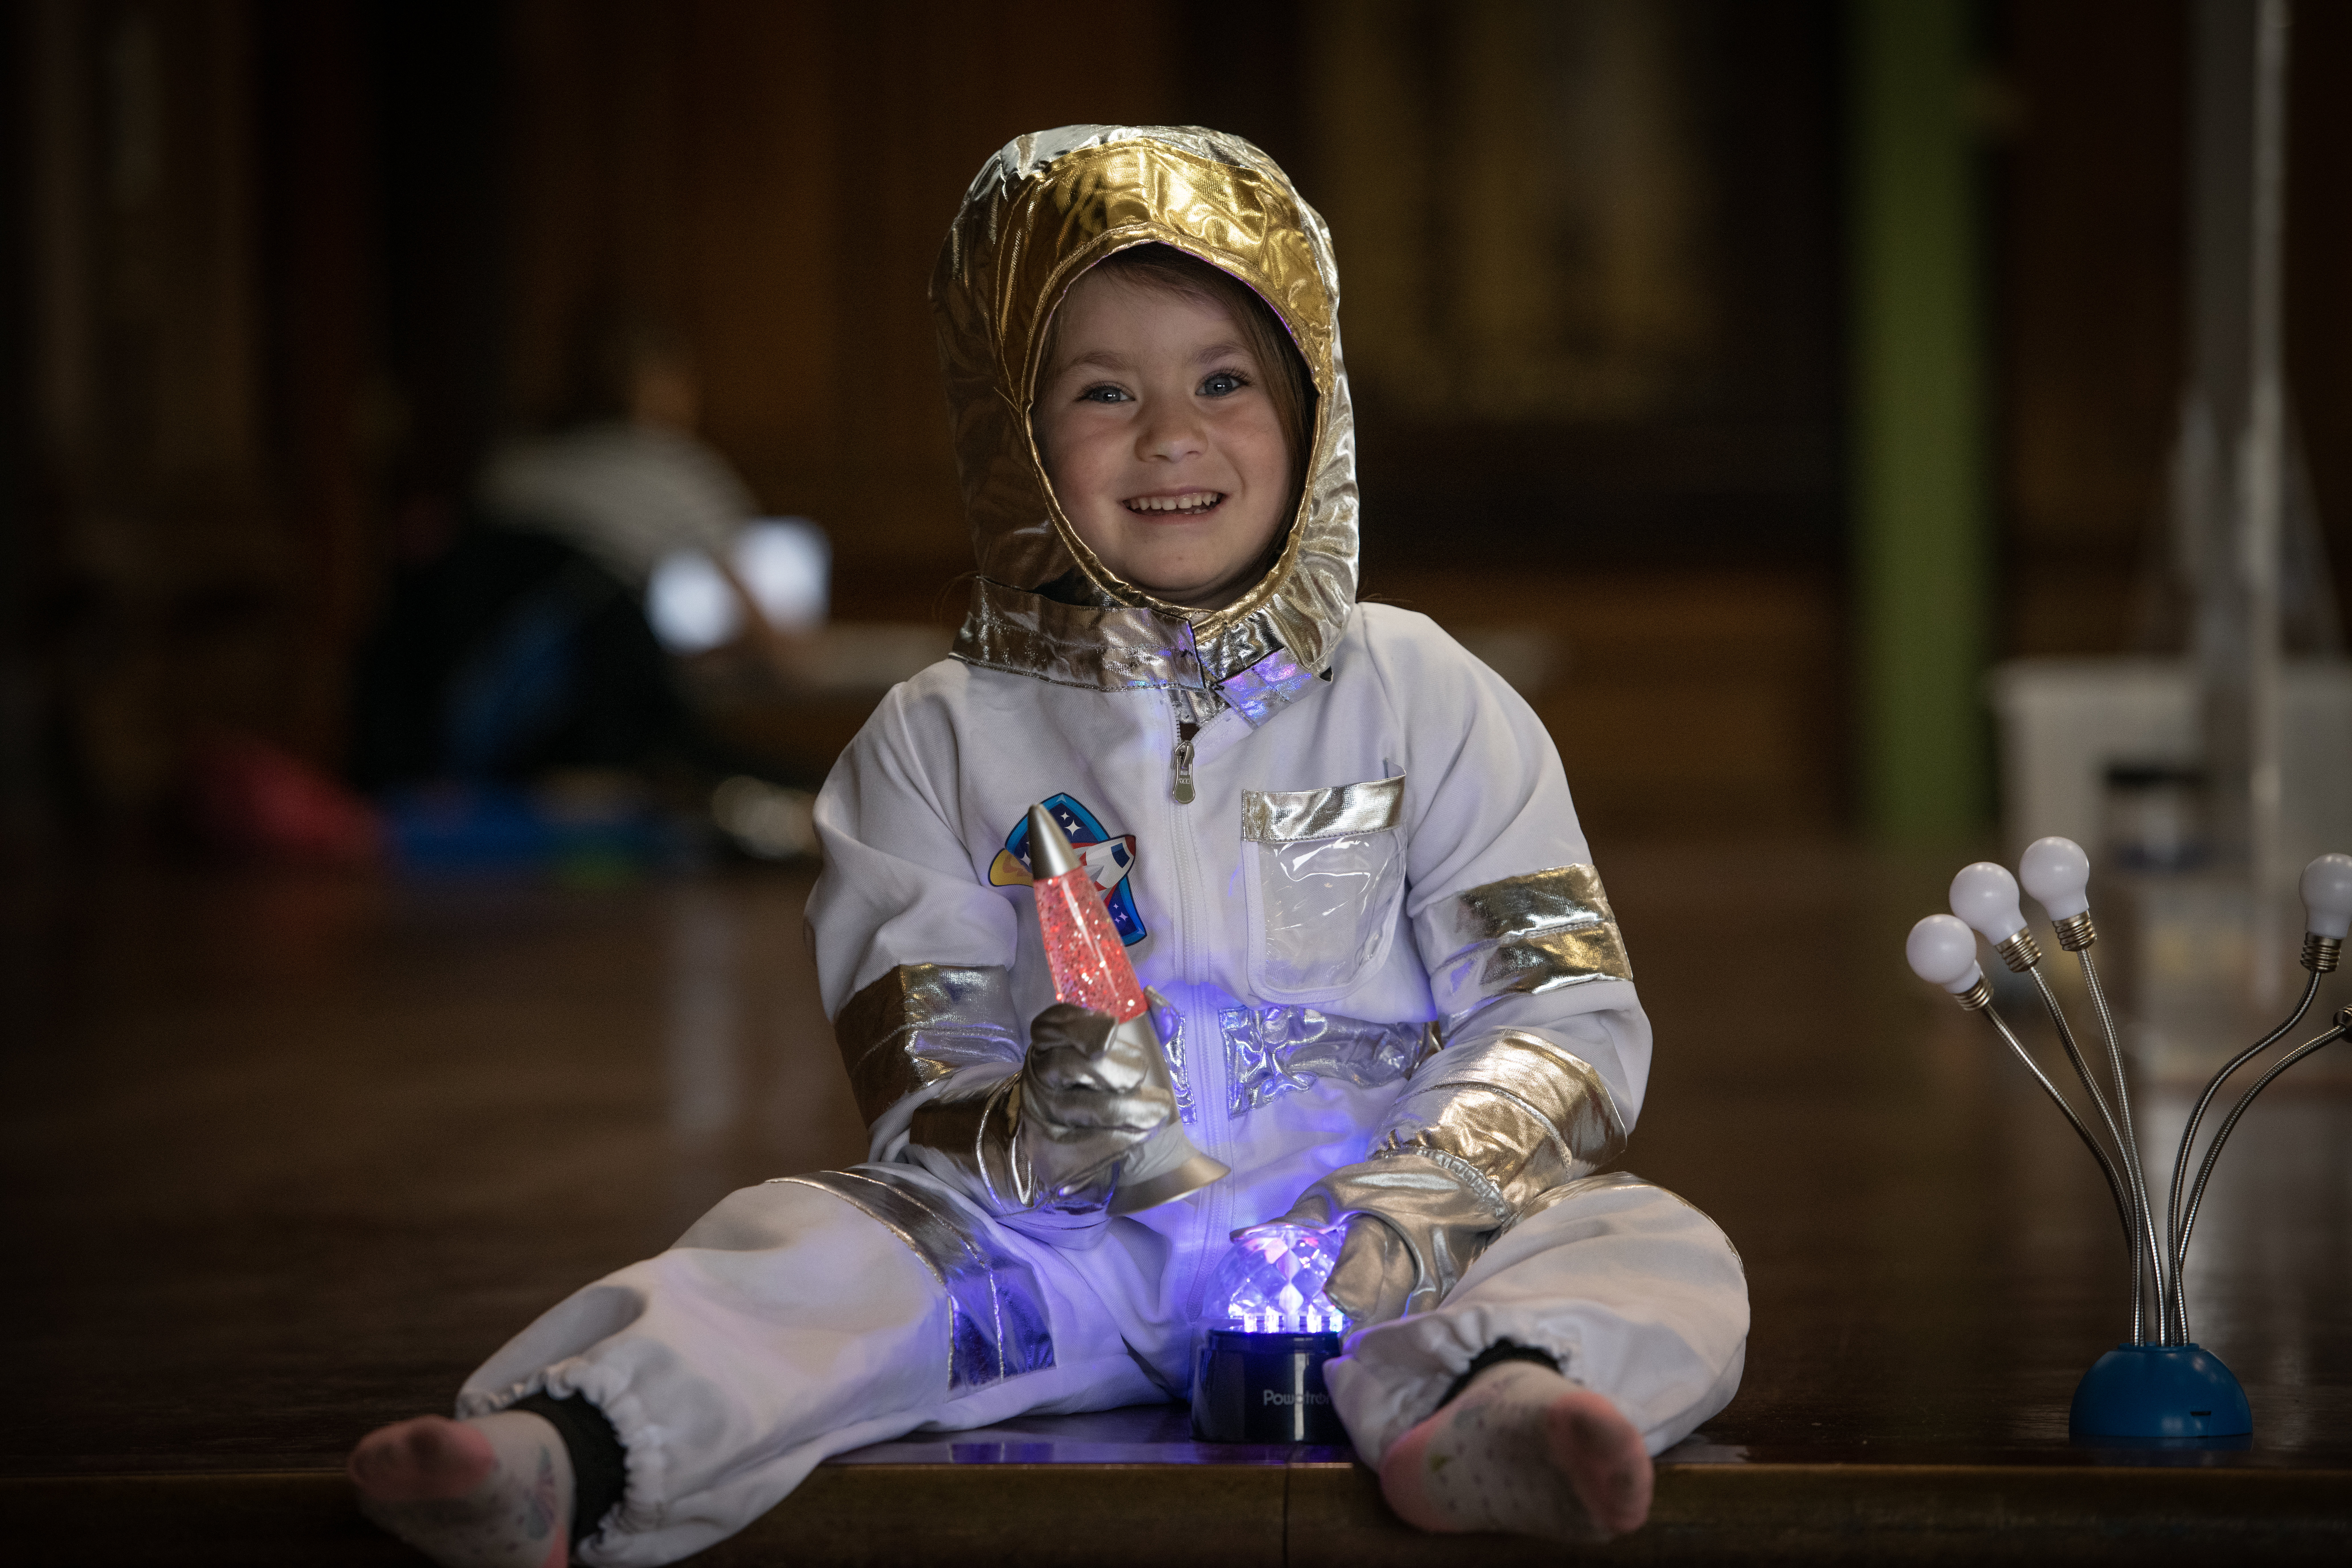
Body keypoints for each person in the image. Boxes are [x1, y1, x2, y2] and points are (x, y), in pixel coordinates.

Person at [348, 124, 1749, 1567]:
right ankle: (577, 1445)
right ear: (1010, 432)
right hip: (1063, 1257)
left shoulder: (1425, 692)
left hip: (1389, 1262)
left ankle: (1484, 1399)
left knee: (1654, 1243)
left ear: (1313, 406)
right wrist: (1031, 1129)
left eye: (1224, 380)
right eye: (1102, 391)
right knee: (807, 1246)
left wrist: (1400, 1212)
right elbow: (921, 1078)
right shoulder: (937, 740)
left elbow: (1562, 1009)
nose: (1171, 435)